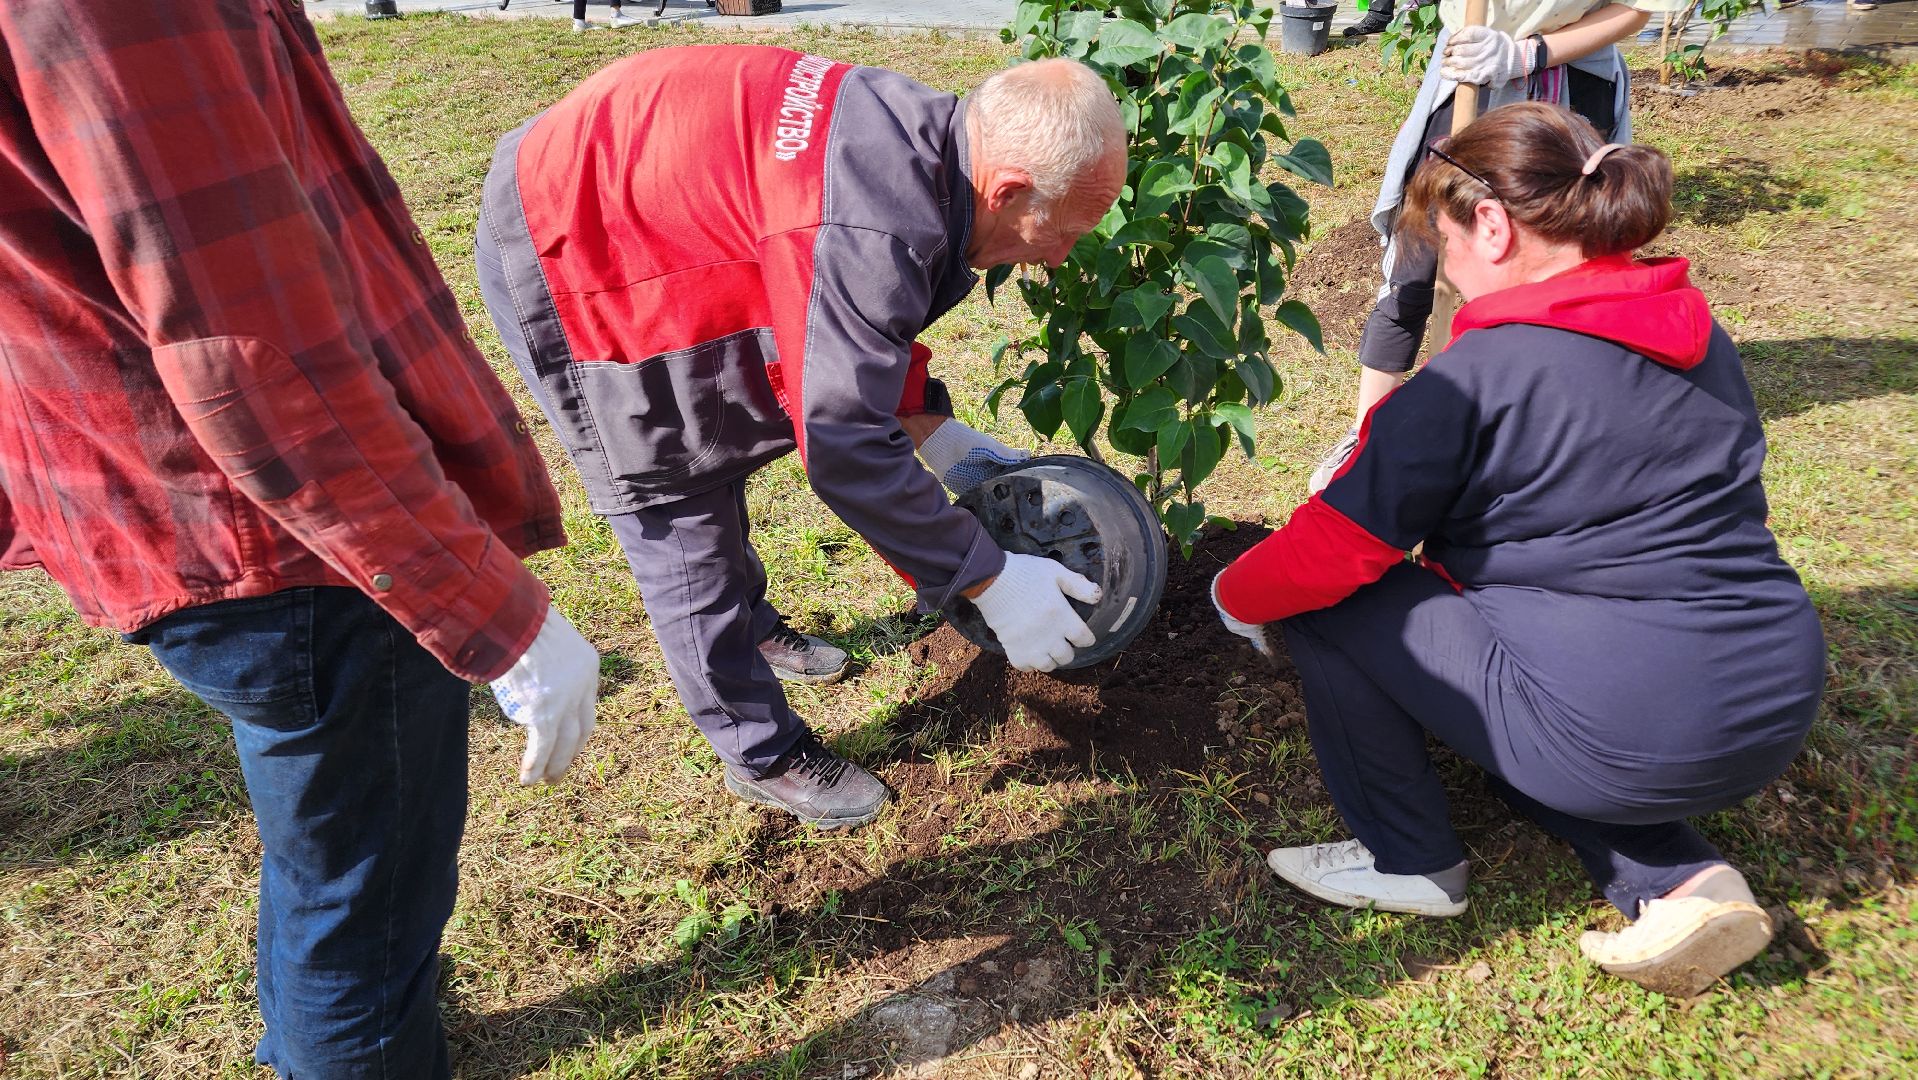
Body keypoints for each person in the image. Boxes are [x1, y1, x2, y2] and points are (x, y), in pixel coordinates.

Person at [0, 5, 600, 1076]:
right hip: (281, 536)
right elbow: (246, 337)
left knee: (327, 850)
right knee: (360, 896)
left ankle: (324, 1037)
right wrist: (487, 607)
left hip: (163, 493)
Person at [1211, 104, 1824, 997]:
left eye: (1443, 242)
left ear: (1491, 225)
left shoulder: (1477, 382)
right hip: (1771, 698)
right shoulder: (1693, 330)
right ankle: (1682, 881)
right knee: (1531, 735)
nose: (1448, 273)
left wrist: (1232, 592)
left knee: (1330, 605)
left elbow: (1330, 550)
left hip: (1624, 726)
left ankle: (1410, 860)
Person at [476, 49, 1126, 833]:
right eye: (1059, 233)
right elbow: (840, 436)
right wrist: (985, 577)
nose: (1059, 257)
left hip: (646, 187)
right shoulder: (875, 216)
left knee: (725, 433)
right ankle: (760, 751)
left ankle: (751, 627)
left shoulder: (932, 147)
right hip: (576, 236)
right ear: (1008, 187)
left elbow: (838, 320)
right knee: (680, 502)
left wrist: (937, 431)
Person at [1309, 0, 1685, 492]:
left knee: (1552, 277)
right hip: (1468, 69)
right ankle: (1366, 438)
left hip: (1566, 88)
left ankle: (1530, 442)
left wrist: (1528, 56)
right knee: (1415, 261)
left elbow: (1636, 10)